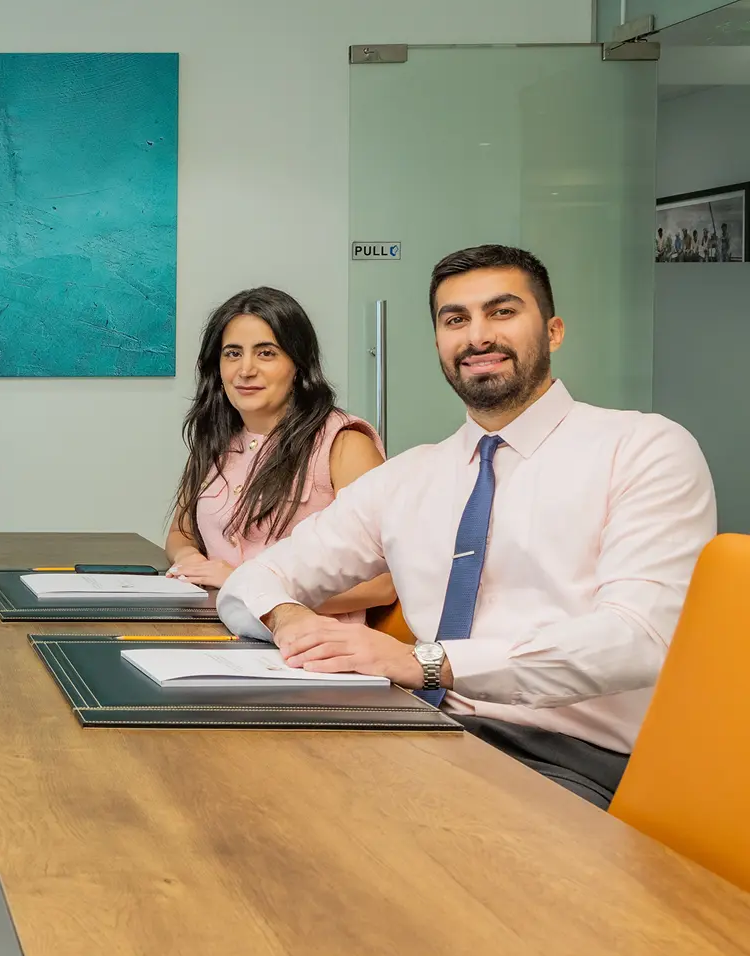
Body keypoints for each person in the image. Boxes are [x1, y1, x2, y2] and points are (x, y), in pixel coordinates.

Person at [217, 245, 716, 808]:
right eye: (455, 320)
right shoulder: (408, 478)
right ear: (439, 343)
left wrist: (429, 663)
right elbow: (251, 581)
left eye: (502, 312)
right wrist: (290, 622)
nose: (477, 336)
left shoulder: (643, 449)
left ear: (553, 331)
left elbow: (640, 640)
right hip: (421, 733)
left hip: (566, 757)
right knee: (244, 795)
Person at [162, 287, 393, 622]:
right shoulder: (217, 437)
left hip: (307, 649)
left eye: (266, 353)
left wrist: (246, 585)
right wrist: (189, 559)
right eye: (233, 354)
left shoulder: (345, 443)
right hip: (216, 629)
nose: (246, 370)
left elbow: (384, 584)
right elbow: (180, 533)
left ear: (297, 364)